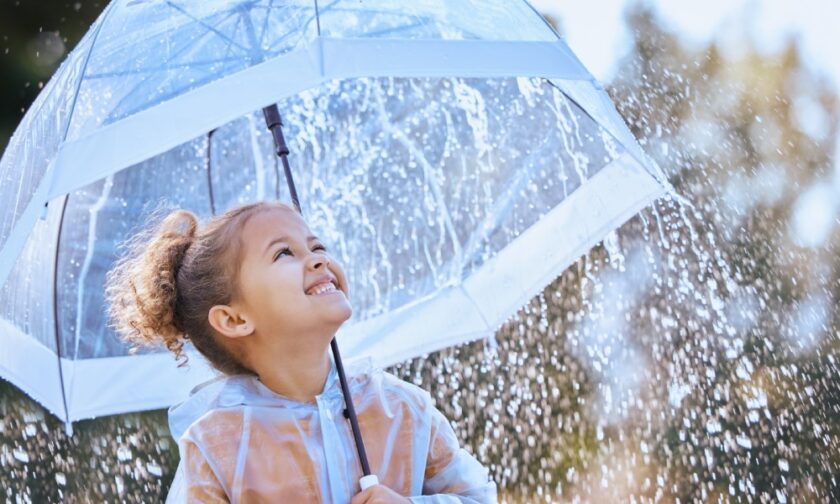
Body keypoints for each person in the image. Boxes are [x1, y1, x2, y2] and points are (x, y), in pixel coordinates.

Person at [104, 201, 497, 503]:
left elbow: (478, 497)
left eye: (317, 245)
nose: (318, 258)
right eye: (283, 254)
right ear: (235, 319)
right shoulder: (216, 447)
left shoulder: (401, 409)